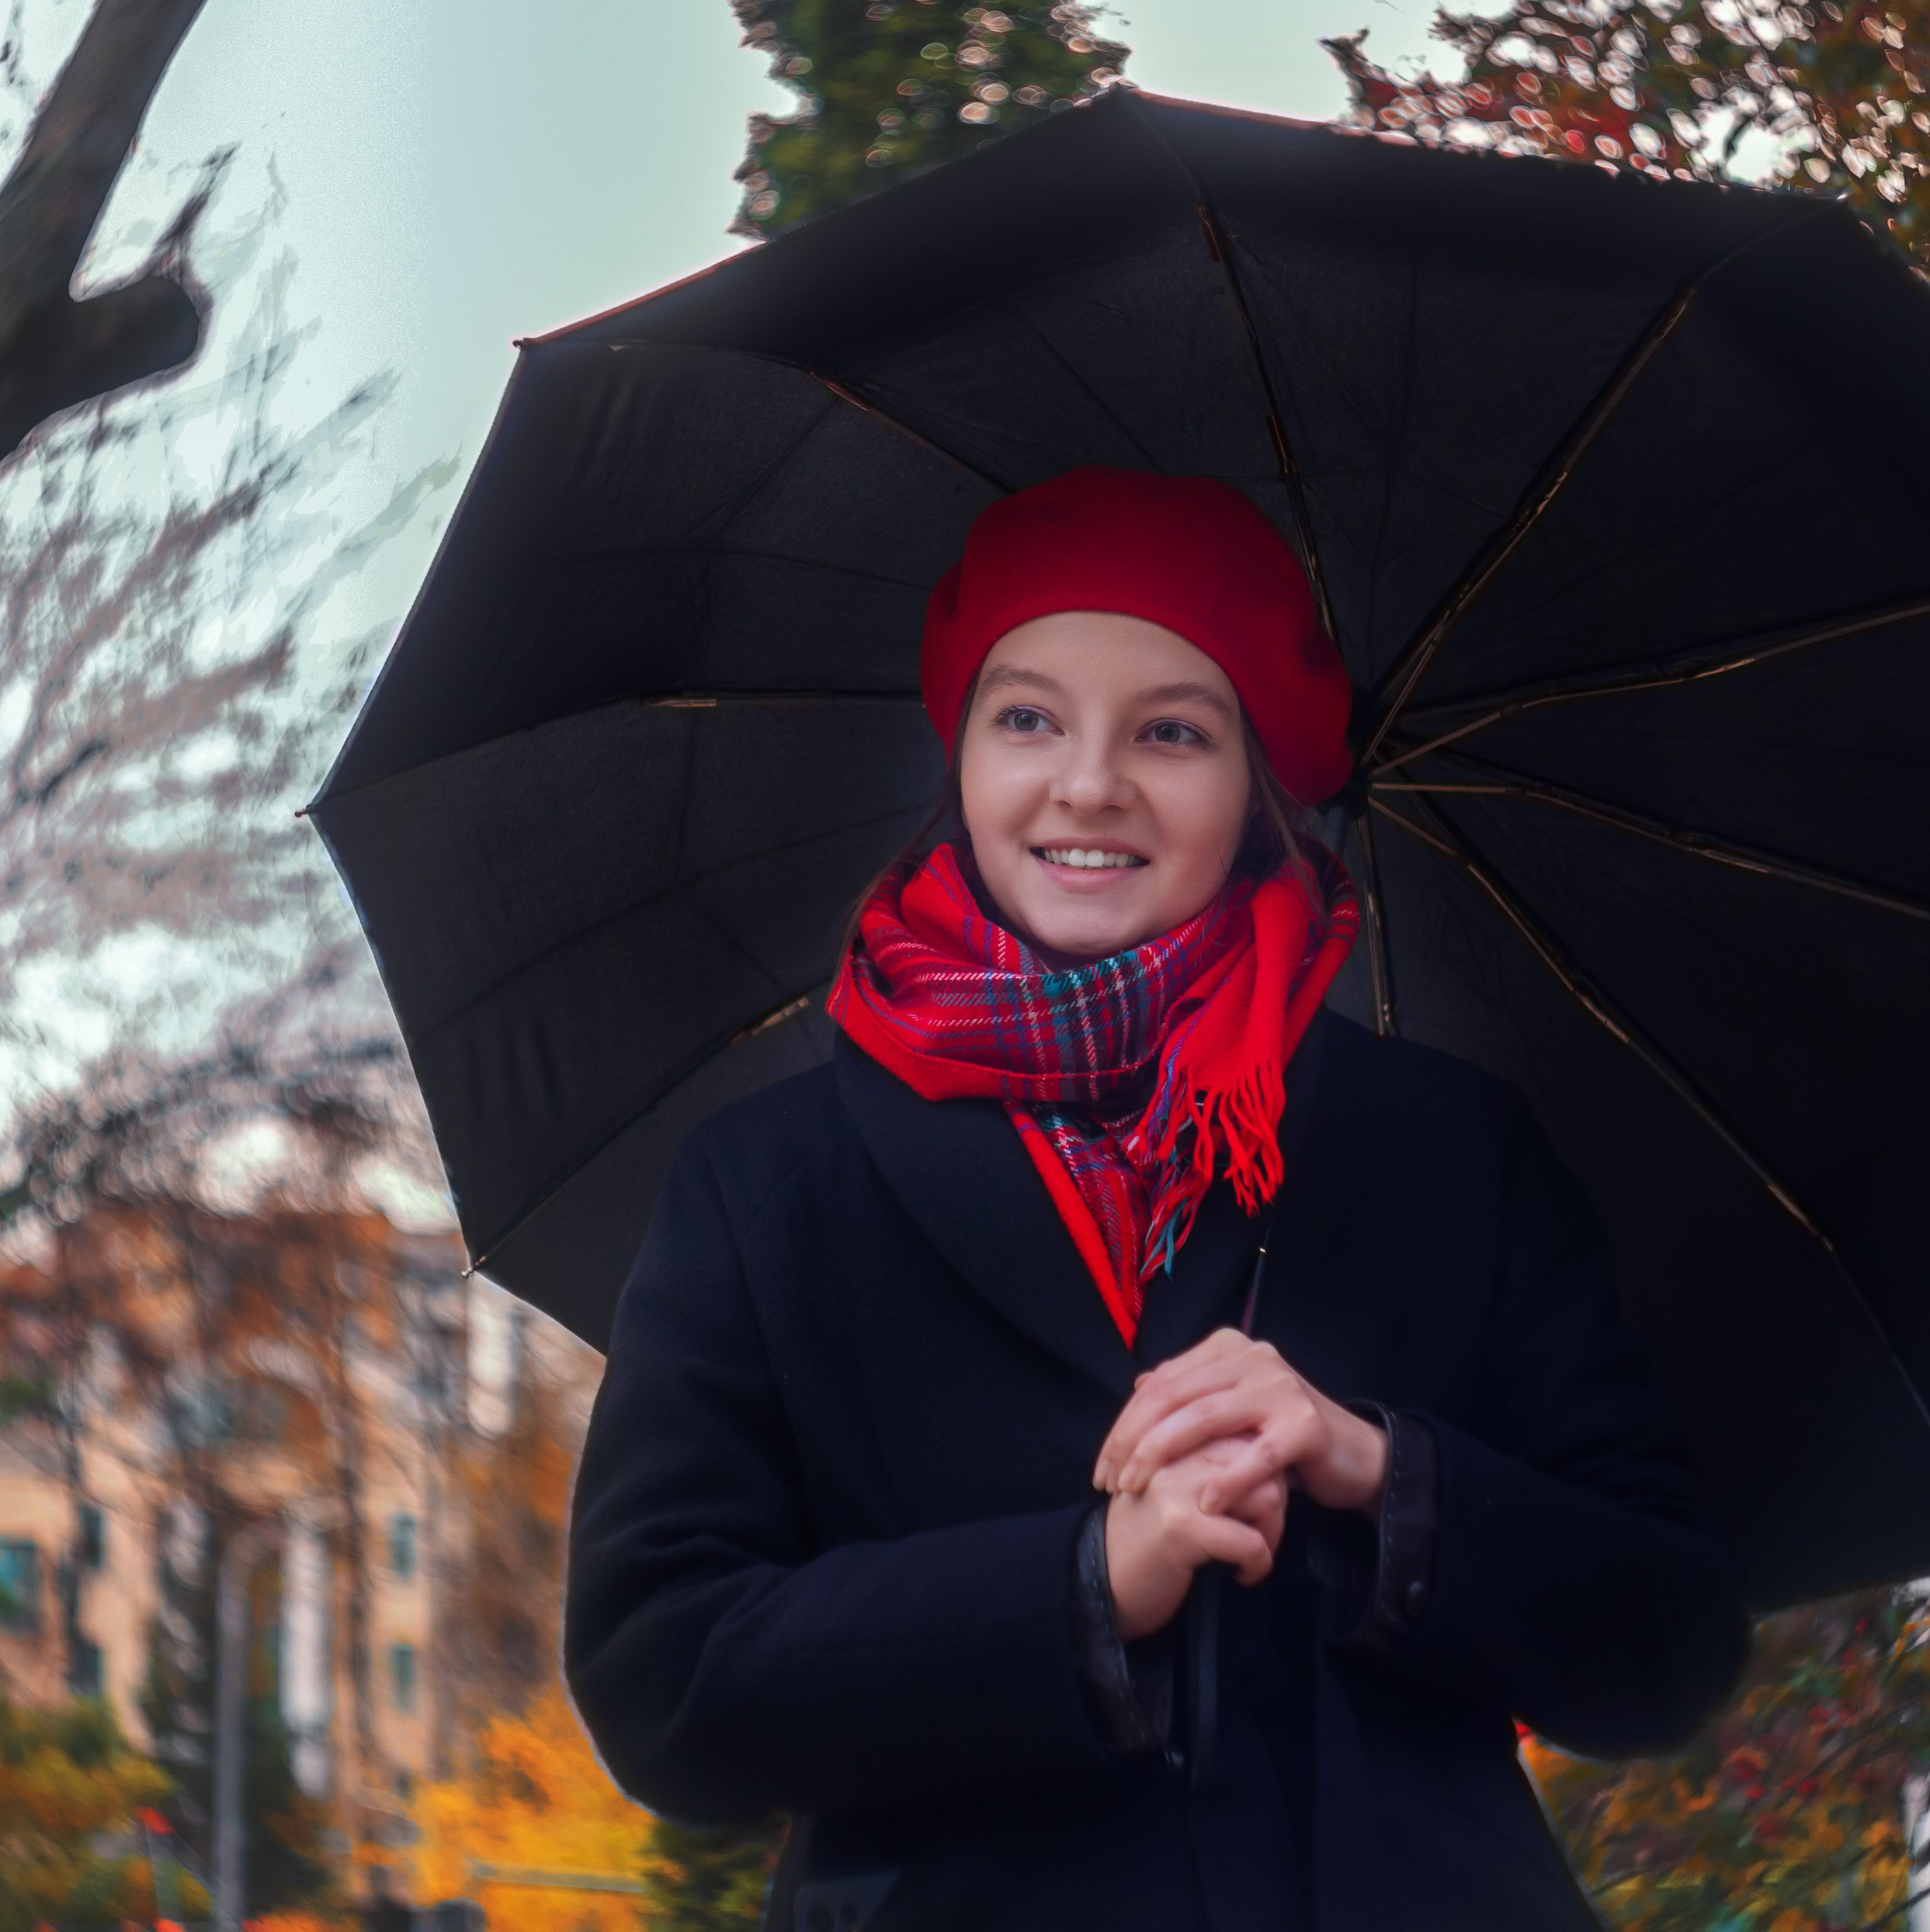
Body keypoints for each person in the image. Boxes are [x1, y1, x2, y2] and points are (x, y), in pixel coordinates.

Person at [564, 467, 1748, 1930]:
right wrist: (1084, 1588)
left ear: (1256, 778)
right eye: (1030, 716)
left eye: (1173, 730)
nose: (1087, 783)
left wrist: (1377, 1469)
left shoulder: (1446, 1150)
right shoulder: (771, 1190)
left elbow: (1668, 1640)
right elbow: (664, 1681)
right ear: (964, 753)